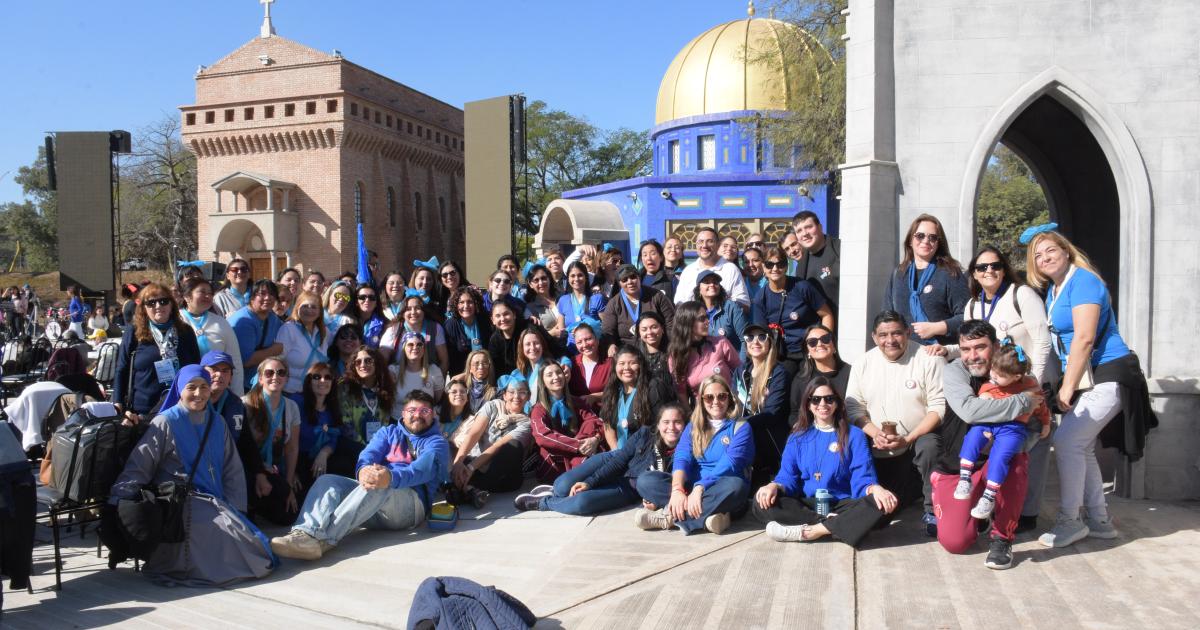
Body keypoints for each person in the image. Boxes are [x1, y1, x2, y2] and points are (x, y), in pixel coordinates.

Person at [1026, 227, 1155, 548]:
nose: (1044, 259)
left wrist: (1067, 388)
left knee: (1068, 440)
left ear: (1066, 251)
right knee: (1080, 445)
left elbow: (1084, 338)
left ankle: (1070, 520)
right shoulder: (1055, 290)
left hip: (1110, 372)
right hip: (1090, 376)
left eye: (1050, 251)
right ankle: (1099, 519)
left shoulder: (1083, 281)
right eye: (1038, 256)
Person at [109, 365, 275, 585]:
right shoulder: (166, 422)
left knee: (252, 542)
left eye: (204, 387)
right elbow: (141, 464)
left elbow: (231, 469)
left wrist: (238, 509)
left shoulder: (218, 422)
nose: (199, 393)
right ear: (180, 389)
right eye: (192, 387)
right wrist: (118, 499)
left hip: (215, 502)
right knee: (231, 539)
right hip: (180, 503)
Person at [931, 245, 1056, 531]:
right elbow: (974, 343)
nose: (989, 271)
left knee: (1027, 451)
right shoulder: (973, 304)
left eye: (995, 265)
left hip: (1025, 380)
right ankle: (989, 505)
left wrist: (1032, 383)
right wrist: (947, 350)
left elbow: (1042, 340)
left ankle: (1024, 516)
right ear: (973, 273)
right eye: (982, 267)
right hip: (997, 384)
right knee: (994, 443)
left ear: (1004, 267)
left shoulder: (1020, 294)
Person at [270, 390, 449, 561]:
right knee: (327, 481)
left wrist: (390, 477)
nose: (418, 415)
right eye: (412, 410)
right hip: (374, 504)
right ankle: (305, 532)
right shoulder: (388, 432)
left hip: (411, 505)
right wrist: (363, 470)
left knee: (379, 484)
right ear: (403, 412)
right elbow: (368, 454)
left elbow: (422, 470)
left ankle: (322, 540)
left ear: (432, 414)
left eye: (424, 411)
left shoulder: (437, 442)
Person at [933, 320, 1045, 569]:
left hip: (998, 461)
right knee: (955, 542)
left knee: (1015, 461)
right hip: (959, 464)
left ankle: (1002, 538)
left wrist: (1011, 444)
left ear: (995, 346)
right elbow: (969, 411)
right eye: (965, 348)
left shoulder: (1021, 375)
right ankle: (976, 510)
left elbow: (1038, 424)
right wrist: (1021, 403)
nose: (972, 356)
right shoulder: (954, 371)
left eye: (980, 347)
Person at [753, 377, 896, 546]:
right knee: (760, 501)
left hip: (843, 503)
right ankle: (831, 524)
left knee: (883, 505)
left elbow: (863, 477)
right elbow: (787, 477)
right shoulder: (797, 437)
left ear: (837, 403)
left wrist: (876, 488)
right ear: (807, 404)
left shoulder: (854, 435)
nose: (823, 404)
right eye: (815, 399)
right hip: (809, 504)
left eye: (829, 399)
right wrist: (773, 486)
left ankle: (813, 531)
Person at [844, 311, 946, 536]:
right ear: (874, 337)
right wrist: (874, 433)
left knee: (929, 446)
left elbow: (938, 408)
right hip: (877, 443)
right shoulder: (863, 363)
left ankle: (932, 509)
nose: (890, 340)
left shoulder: (927, 359)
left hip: (915, 439)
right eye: (883, 335)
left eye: (897, 333)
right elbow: (853, 408)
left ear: (908, 332)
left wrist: (908, 438)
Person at [516, 402, 686, 515]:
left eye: (677, 422)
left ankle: (544, 502)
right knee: (562, 486)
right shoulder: (645, 434)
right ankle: (555, 491)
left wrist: (654, 499)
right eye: (666, 422)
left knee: (582, 503)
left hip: (629, 487)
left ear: (686, 425)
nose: (671, 427)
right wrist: (590, 482)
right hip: (615, 461)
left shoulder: (687, 450)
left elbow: (667, 488)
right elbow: (619, 461)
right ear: (658, 424)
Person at [634, 376, 753, 535]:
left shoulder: (741, 427)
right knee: (645, 480)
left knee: (736, 487)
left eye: (721, 396)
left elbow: (730, 464)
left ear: (729, 399)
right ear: (702, 401)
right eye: (709, 397)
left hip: (720, 486)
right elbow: (682, 457)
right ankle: (709, 517)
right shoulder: (693, 426)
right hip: (691, 488)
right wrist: (677, 489)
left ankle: (669, 517)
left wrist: (700, 487)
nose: (715, 401)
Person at [954, 341, 1050, 520]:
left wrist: (1046, 423)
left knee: (1000, 457)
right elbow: (982, 396)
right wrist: (984, 397)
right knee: (972, 437)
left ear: (1016, 376)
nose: (994, 376)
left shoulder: (1030, 387)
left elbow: (1041, 407)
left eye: (1000, 375)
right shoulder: (991, 384)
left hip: (1012, 428)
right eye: (993, 371)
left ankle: (989, 496)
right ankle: (965, 478)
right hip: (987, 423)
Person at [114, 283, 203, 425]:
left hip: (180, 406)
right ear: (143, 308)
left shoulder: (185, 332)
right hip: (143, 411)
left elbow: (195, 368)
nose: (158, 306)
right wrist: (117, 403)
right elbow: (121, 368)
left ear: (171, 305)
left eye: (163, 301)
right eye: (151, 303)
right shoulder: (134, 332)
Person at [881, 214, 970, 346]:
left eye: (933, 237)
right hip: (903, 354)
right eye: (920, 236)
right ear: (910, 240)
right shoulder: (898, 274)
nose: (926, 241)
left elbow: (967, 316)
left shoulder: (950, 273)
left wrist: (937, 327)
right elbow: (887, 315)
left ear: (938, 243)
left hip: (937, 354)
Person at [449, 372, 534, 495]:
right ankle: (471, 490)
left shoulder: (526, 423)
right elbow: (474, 434)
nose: (516, 396)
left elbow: (497, 446)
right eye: (511, 392)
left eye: (522, 392)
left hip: (504, 476)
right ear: (504, 395)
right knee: (459, 460)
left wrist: (471, 468)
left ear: (528, 397)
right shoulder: (492, 406)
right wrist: (458, 462)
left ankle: (470, 488)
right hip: (479, 466)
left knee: (513, 446)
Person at [750, 247, 834, 370]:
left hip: (810, 351)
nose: (775, 268)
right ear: (763, 267)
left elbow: (827, 315)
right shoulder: (760, 298)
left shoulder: (802, 287)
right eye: (769, 264)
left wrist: (823, 342)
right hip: (783, 356)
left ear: (787, 266)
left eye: (780, 264)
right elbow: (761, 335)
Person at [241, 358, 301, 525]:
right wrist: (260, 469)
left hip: (274, 468)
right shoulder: (244, 405)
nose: (275, 376)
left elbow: (292, 448)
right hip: (249, 468)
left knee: (288, 516)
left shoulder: (292, 407)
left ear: (287, 378)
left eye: (281, 373)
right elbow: (240, 447)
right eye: (269, 373)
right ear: (260, 378)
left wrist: (289, 485)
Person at [527, 361, 605, 482]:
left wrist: (595, 439)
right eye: (549, 375)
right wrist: (578, 445)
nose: (556, 377)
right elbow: (542, 436)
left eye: (559, 372)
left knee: (589, 424)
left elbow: (596, 421)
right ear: (543, 382)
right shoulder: (539, 409)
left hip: (581, 454)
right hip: (558, 460)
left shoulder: (577, 402)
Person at [736, 324, 792, 484]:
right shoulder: (741, 372)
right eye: (750, 337)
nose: (756, 341)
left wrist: (740, 425)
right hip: (745, 439)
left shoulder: (779, 373)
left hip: (769, 441)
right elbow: (734, 407)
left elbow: (772, 414)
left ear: (770, 343)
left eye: (762, 337)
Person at [596, 345, 674, 451]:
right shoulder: (612, 390)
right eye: (622, 364)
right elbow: (607, 424)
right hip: (618, 454)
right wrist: (615, 451)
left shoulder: (654, 387)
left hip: (645, 452)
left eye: (632, 363)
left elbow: (661, 425)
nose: (626, 368)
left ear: (641, 366)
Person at [179, 276, 246, 396]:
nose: (208, 296)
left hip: (217, 390)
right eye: (202, 292)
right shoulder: (176, 321)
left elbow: (235, 360)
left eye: (210, 293)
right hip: (187, 390)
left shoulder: (221, 322)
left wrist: (238, 395)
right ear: (187, 296)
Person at [667, 301, 742, 404]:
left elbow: (741, 372)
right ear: (688, 322)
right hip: (701, 412)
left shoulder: (720, 343)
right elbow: (681, 392)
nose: (708, 321)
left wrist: (736, 396)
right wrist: (690, 416)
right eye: (702, 319)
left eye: (707, 317)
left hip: (729, 405)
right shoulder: (677, 355)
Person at [337, 347, 395, 471]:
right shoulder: (345, 387)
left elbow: (385, 423)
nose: (363, 365)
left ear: (377, 363)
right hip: (352, 448)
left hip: (378, 450)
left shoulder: (385, 388)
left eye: (368, 361)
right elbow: (346, 425)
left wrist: (378, 449)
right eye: (358, 362)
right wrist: (368, 450)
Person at [602, 264, 676, 353]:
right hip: (628, 353)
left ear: (639, 278)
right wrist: (611, 345)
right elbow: (607, 331)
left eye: (633, 277)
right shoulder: (614, 304)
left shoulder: (657, 296)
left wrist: (670, 345)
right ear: (619, 284)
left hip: (658, 349)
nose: (630, 282)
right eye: (624, 280)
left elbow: (671, 322)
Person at [227, 280, 286, 391]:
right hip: (242, 385)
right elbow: (246, 360)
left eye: (272, 294)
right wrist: (275, 350)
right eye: (262, 293)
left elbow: (286, 329)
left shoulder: (271, 317)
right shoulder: (243, 321)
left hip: (261, 381)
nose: (268, 298)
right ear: (252, 296)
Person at [673, 227, 749, 307]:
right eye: (700, 242)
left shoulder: (731, 269)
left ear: (718, 245)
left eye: (710, 241)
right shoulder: (688, 271)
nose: (704, 245)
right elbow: (679, 303)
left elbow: (744, 304)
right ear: (696, 245)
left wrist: (719, 310)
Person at [275, 290, 331, 396]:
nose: (309, 310)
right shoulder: (288, 329)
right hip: (290, 392)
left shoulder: (324, 332)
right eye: (305, 306)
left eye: (314, 307)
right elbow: (278, 360)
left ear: (319, 312)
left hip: (315, 392)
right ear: (297, 308)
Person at [297, 363, 341, 490]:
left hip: (319, 463)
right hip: (297, 462)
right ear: (309, 381)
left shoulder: (332, 408)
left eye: (328, 377)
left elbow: (334, 439)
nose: (323, 380)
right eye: (317, 377)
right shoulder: (297, 402)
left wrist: (324, 453)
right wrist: (291, 472)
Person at [379, 293, 449, 370]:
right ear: (403, 313)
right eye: (408, 309)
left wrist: (439, 380)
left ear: (424, 311)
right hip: (399, 377)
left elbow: (444, 361)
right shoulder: (393, 330)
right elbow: (382, 359)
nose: (413, 312)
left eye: (417, 308)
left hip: (428, 378)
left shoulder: (435, 328)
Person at [789, 324, 851, 409]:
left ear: (833, 345)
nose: (820, 344)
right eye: (812, 342)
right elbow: (795, 413)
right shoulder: (801, 379)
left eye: (825, 339)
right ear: (808, 351)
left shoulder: (851, 373)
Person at [792, 211, 841, 313]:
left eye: (809, 227)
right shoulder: (801, 265)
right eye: (799, 231)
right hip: (820, 326)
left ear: (820, 227)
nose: (805, 234)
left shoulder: (839, 249)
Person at [388, 332, 444, 415]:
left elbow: (438, 400)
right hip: (398, 421)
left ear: (424, 349)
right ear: (403, 349)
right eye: (410, 344)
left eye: (419, 345)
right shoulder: (393, 371)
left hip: (425, 421)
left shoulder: (434, 371)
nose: (415, 347)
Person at [694, 269, 748, 354]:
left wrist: (741, 365)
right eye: (706, 282)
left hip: (733, 365)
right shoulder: (694, 312)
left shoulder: (731, 307)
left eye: (715, 282)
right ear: (699, 289)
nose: (712, 284)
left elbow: (745, 339)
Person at [557, 261, 607, 354]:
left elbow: (606, 326)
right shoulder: (563, 300)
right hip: (571, 350)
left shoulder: (597, 298)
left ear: (586, 277)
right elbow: (562, 331)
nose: (576, 279)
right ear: (568, 279)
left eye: (580, 275)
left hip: (593, 349)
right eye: (572, 276)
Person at [443, 286, 492, 376]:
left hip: (485, 374)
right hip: (461, 376)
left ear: (476, 303)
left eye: (470, 302)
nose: (466, 306)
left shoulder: (485, 321)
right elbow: (451, 359)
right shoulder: (450, 325)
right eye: (461, 302)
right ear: (456, 305)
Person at [567, 320, 610, 406]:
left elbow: (619, 390)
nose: (585, 345)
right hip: (579, 415)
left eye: (588, 339)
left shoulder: (610, 362)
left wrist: (595, 397)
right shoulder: (572, 363)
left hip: (605, 414)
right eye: (579, 342)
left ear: (597, 339)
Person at [523, 263, 565, 342]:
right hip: (551, 349)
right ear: (530, 284)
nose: (541, 283)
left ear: (549, 279)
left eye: (544, 278)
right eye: (536, 280)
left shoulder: (563, 298)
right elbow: (532, 336)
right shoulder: (530, 308)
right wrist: (550, 333)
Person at [486, 299, 525, 376]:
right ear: (493, 320)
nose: (502, 319)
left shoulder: (526, 330)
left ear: (514, 314)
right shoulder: (494, 340)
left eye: (506, 314)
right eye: (498, 316)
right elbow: (497, 369)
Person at [453, 350, 496, 415]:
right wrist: (465, 374)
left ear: (489, 367)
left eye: (485, 363)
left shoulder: (496, 391)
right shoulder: (462, 387)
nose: (481, 367)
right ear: (470, 367)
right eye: (476, 363)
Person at [636, 311, 671, 381]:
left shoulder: (673, 353)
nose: (649, 332)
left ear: (662, 329)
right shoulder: (635, 356)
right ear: (639, 333)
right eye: (644, 329)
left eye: (654, 327)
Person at [409, 258, 446, 322]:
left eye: (429, 279)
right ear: (414, 279)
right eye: (421, 278)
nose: (425, 282)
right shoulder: (407, 298)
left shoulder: (439, 301)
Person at [353, 284, 387, 349]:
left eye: (372, 298)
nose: (367, 300)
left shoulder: (385, 325)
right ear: (356, 302)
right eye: (362, 297)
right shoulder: (347, 321)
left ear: (376, 303)